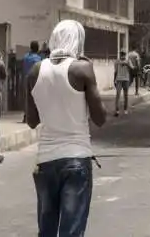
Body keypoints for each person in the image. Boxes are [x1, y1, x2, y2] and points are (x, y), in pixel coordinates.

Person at [26, 20, 107, 237]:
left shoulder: (35, 70)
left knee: (47, 231)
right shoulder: (82, 68)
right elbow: (100, 118)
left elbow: (32, 120)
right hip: (76, 158)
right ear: (78, 40)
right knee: (72, 231)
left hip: (45, 160)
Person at [22, 41, 42, 123]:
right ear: (37, 49)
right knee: (36, 98)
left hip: (26, 78)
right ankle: (36, 116)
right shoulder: (39, 58)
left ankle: (25, 116)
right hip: (36, 79)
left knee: (27, 97)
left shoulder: (26, 57)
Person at [114, 51, 133, 117]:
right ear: (120, 54)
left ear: (125, 55)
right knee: (118, 94)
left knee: (126, 95)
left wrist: (127, 64)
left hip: (126, 79)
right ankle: (117, 110)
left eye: (124, 54)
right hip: (119, 80)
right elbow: (115, 71)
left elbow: (132, 69)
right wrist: (114, 80)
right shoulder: (117, 61)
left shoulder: (128, 61)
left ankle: (125, 109)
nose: (122, 55)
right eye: (121, 54)